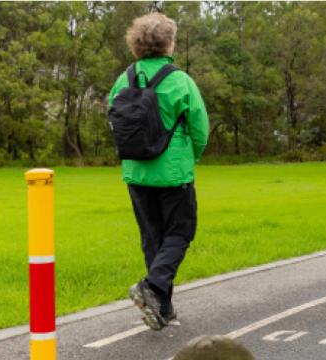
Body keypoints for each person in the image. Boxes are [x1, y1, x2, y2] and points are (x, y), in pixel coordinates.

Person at [108, 12, 209, 330]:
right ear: (169, 43)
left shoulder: (123, 79)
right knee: (179, 233)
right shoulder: (180, 80)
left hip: (137, 174)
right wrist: (193, 156)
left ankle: (162, 308)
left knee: (153, 239)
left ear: (135, 44)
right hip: (174, 174)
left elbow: (115, 120)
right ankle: (151, 288)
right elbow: (200, 128)